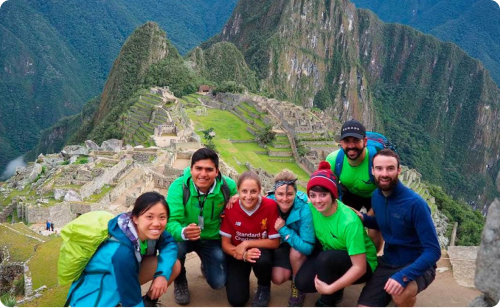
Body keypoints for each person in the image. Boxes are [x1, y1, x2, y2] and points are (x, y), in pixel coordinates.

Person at [355, 149, 441, 308]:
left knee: (400, 294)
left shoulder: (415, 204)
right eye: (379, 169)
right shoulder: (377, 196)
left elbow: (434, 250)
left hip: (417, 264)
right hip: (389, 261)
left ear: (399, 170)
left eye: (390, 168)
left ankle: (403, 302)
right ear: (373, 171)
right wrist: (364, 219)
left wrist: (404, 276)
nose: (384, 173)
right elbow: (386, 224)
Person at [65, 191, 180, 308]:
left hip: (117, 278)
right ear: (135, 218)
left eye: (162, 217)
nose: (156, 223)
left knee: (173, 265)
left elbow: (169, 244)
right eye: (149, 217)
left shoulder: (139, 229)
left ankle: (148, 303)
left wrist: (162, 275)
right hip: (95, 296)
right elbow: (132, 302)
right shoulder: (122, 253)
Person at [295, 161, 377, 308]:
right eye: (312, 195)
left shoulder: (348, 221)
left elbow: (360, 267)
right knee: (302, 282)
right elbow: (288, 204)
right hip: (331, 255)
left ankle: (328, 301)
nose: (317, 201)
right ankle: (335, 282)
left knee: (325, 259)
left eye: (323, 195)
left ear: (333, 195)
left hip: (362, 264)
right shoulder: (311, 209)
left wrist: (329, 289)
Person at [166, 147, 237, 305]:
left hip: (212, 238)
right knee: (173, 247)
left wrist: (237, 196)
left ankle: (207, 263)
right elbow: (170, 222)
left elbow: (245, 196)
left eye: (209, 169)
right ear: (191, 169)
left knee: (218, 282)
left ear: (217, 171)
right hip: (184, 237)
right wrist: (183, 232)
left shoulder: (228, 187)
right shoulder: (178, 188)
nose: (203, 174)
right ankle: (179, 278)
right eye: (198, 168)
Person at [220, 171, 281, 308]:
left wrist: (246, 243)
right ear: (238, 191)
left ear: (260, 190)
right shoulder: (230, 207)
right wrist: (243, 253)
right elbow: (225, 244)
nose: (248, 196)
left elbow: (275, 242)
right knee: (237, 301)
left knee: (262, 258)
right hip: (237, 254)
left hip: (260, 252)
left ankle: (264, 286)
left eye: (253, 191)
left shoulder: (270, 206)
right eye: (244, 191)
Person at [326, 119, 383, 251]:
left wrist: (369, 215)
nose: (351, 146)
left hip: (375, 196)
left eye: (356, 141)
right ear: (341, 143)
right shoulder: (334, 160)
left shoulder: (376, 161)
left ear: (365, 141)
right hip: (350, 193)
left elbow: (386, 191)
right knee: (343, 225)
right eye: (347, 141)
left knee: (374, 228)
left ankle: (373, 259)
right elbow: (327, 187)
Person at [268, 169, 315, 308]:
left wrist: (284, 230)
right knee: (277, 278)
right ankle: (292, 270)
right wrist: (235, 198)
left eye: (289, 194)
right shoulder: (268, 202)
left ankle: (297, 284)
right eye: (280, 194)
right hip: (282, 245)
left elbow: (307, 246)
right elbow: (253, 200)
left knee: (297, 252)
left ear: (295, 193)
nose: (284, 198)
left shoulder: (304, 208)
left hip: (298, 245)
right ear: (274, 193)